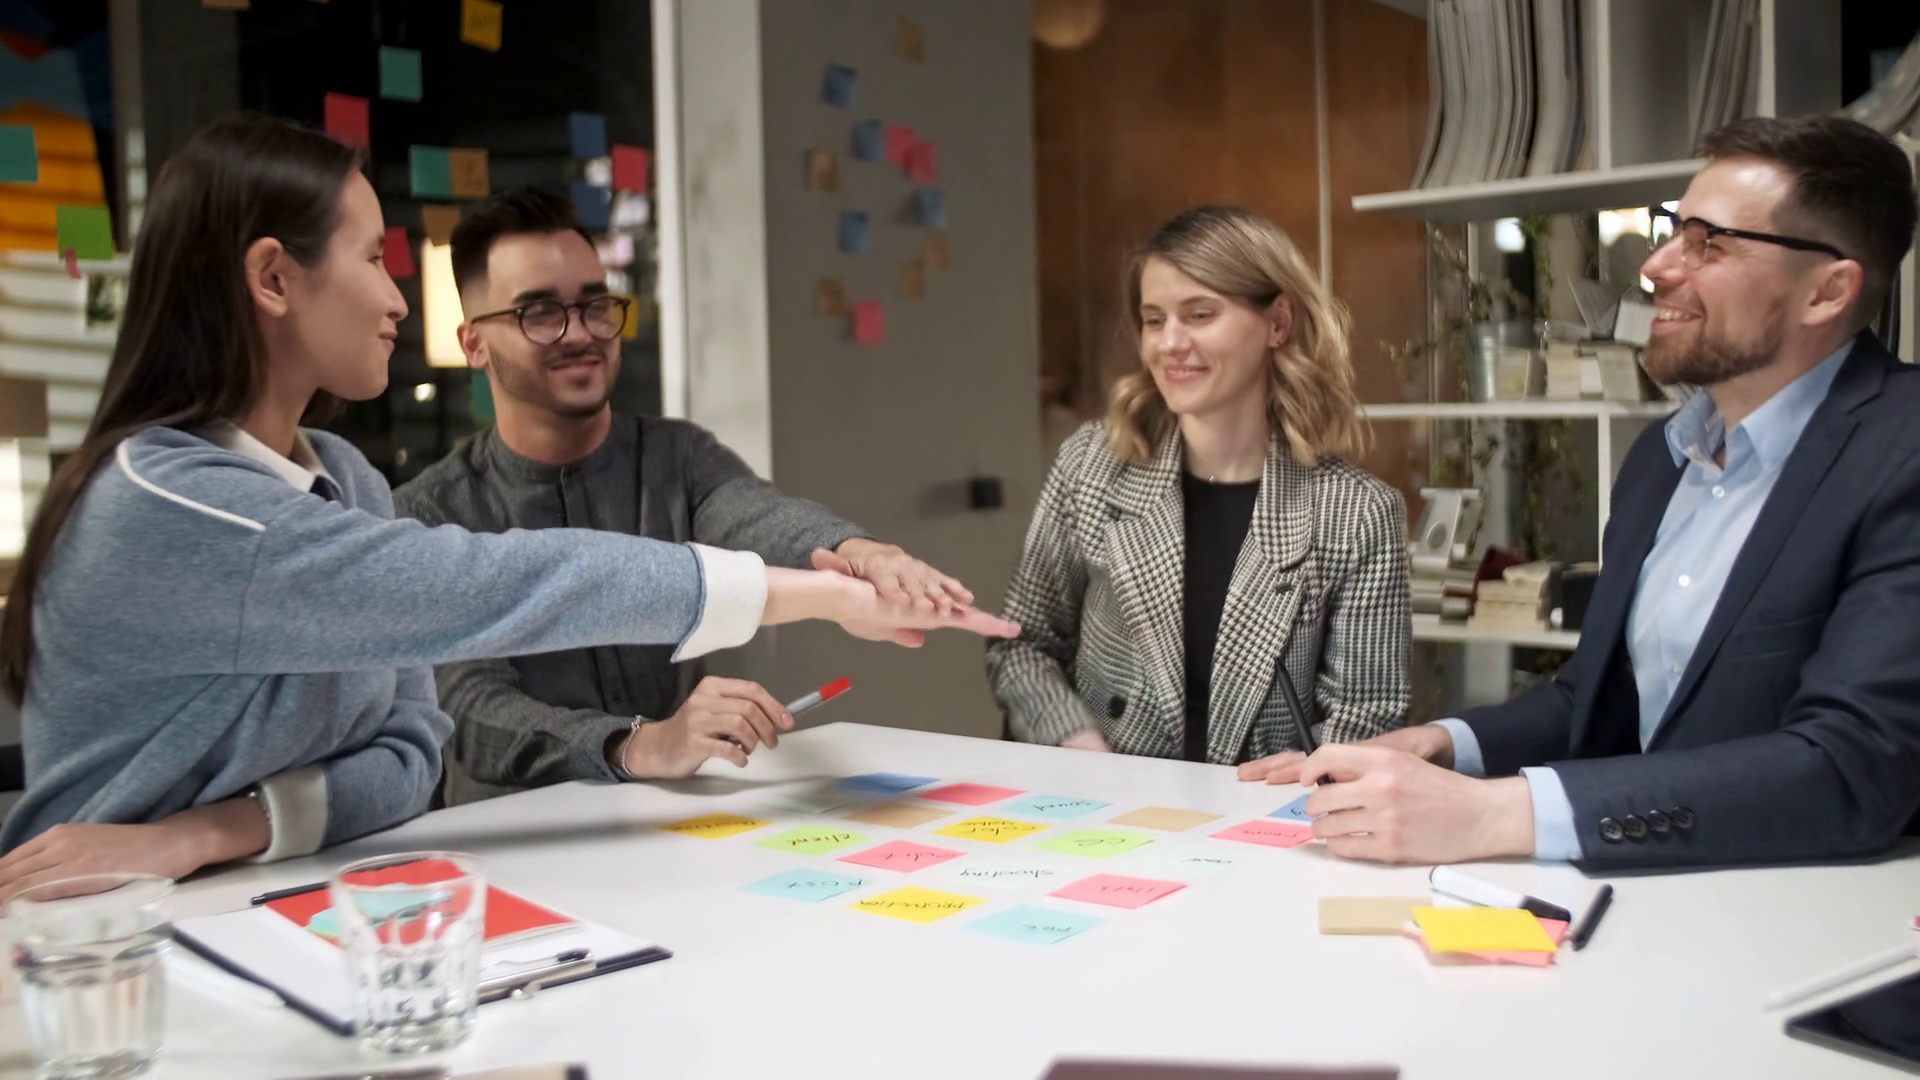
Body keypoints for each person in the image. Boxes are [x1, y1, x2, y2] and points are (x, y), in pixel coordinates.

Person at [0, 114, 1015, 900]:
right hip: (103, 936)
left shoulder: (344, 481)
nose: (396, 301)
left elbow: (406, 756)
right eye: (371, 259)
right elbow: (495, 600)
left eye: (594, 304)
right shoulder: (172, 503)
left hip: (280, 900)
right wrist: (801, 610)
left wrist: (202, 832)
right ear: (273, 277)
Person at [1240, 115, 1920, 870]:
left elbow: (1853, 765)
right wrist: (1445, 746)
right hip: (1664, 904)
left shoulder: (1902, 453)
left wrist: (1495, 814)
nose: (1657, 266)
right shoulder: (1663, 459)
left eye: (1709, 243)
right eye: (1673, 229)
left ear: (1827, 291)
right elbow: (1599, 699)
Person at [395, 187, 978, 804]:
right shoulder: (430, 513)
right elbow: (468, 707)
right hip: (513, 838)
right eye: (539, 313)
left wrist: (862, 553)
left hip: (676, 820)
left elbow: (756, 516)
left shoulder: (676, 456)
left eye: (595, 305)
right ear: (473, 343)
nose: (581, 333)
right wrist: (638, 744)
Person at [987, 205, 1411, 763]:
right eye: (1154, 319)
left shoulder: (1358, 513)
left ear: (1278, 323)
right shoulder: (1091, 466)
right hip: (1101, 801)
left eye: (1200, 315)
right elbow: (1023, 644)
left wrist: (1311, 770)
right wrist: (1078, 745)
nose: (1168, 343)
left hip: (1262, 809)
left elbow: (1368, 712)